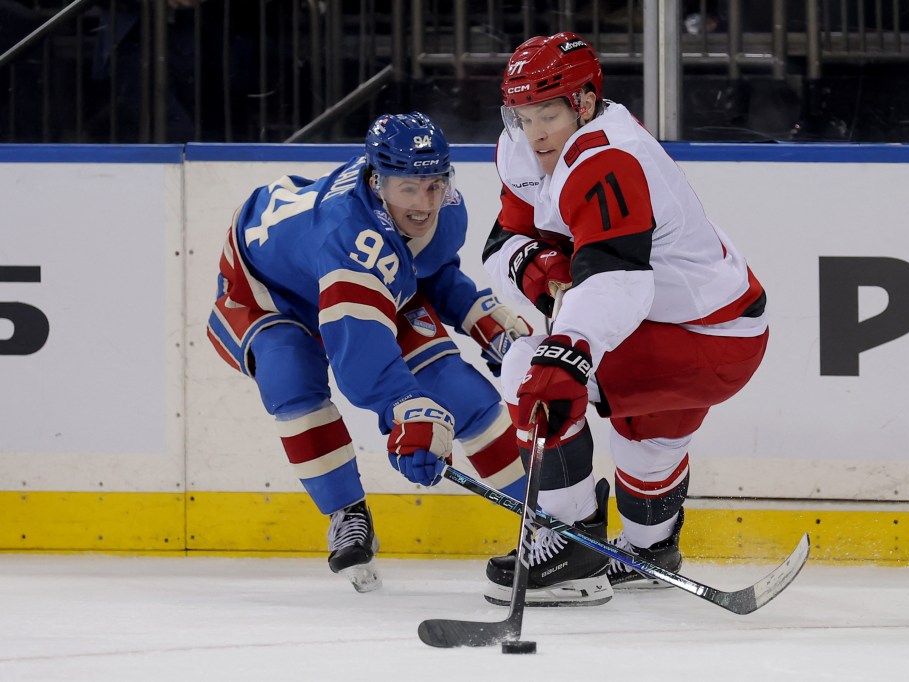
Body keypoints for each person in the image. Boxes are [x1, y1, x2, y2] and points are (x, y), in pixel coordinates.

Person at [481, 33, 769, 606]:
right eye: (521, 114)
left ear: (584, 104)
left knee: (527, 369)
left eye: (548, 113)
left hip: (699, 341)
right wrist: (543, 273)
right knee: (646, 438)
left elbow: (619, 276)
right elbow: (504, 239)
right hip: (710, 324)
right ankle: (649, 549)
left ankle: (571, 547)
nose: (534, 132)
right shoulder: (524, 150)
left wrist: (570, 350)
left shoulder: (607, 156)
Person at [207, 112, 531, 592]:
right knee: (291, 379)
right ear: (377, 182)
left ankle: (544, 524)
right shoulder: (349, 239)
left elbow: (425, 268)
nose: (424, 203)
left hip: (364, 279)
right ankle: (346, 512)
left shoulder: (443, 206)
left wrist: (475, 313)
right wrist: (405, 407)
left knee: (462, 394)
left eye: (434, 184)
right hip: (264, 290)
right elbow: (359, 360)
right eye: (409, 189)